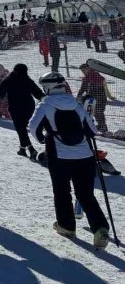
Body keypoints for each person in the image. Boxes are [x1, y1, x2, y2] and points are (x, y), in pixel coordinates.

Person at [29, 71, 110, 249]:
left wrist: (43, 139)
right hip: (85, 155)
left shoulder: (45, 104)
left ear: (48, 87)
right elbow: (92, 130)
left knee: (61, 191)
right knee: (86, 194)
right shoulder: (76, 103)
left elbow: (33, 127)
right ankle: (100, 228)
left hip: (59, 155)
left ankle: (66, 226)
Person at [0, 64, 43, 160]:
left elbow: (0, 93)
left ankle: (31, 149)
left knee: (21, 129)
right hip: (29, 107)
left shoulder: (9, 80)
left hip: (16, 107)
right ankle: (22, 149)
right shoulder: (28, 80)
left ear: (14, 70)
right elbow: (38, 94)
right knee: (21, 128)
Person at [76, 64, 108, 133]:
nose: (83, 71)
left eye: (84, 70)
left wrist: (91, 84)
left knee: (99, 112)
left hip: (100, 97)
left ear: (88, 68)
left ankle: (103, 128)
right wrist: (78, 96)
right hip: (92, 98)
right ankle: (100, 127)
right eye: (82, 70)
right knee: (93, 112)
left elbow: (102, 81)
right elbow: (82, 88)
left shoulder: (95, 74)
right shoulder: (85, 78)